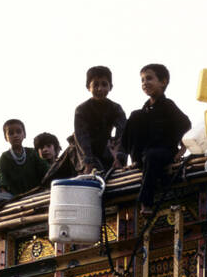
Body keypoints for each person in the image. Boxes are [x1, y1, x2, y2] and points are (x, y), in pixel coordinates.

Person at [121, 63, 190, 216]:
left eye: (149, 78)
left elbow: (186, 125)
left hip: (164, 152)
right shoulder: (144, 110)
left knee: (152, 156)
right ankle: (136, 161)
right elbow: (129, 136)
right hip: (145, 154)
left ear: (163, 82)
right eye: (142, 80)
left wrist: (181, 151)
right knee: (134, 115)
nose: (145, 83)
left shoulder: (168, 105)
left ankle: (146, 203)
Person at [73, 66, 128, 176]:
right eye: (96, 85)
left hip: (105, 148)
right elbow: (81, 136)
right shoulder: (81, 110)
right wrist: (88, 162)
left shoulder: (116, 108)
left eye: (104, 84)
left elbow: (122, 132)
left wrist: (119, 157)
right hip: (82, 151)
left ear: (110, 87)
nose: (100, 89)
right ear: (88, 87)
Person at [0, 119, 50, 197]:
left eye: (18, 132)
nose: (15, 135)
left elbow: (48, 172)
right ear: (6, 137)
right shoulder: (3, 159)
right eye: (11, 133)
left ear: (24, 134)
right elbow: (2, 184)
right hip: (16, 202)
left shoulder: (33, 153)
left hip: (38, 197)